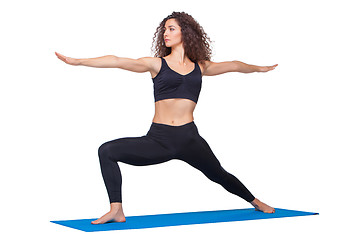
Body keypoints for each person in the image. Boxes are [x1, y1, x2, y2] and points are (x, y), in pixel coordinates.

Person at [55, 11, 278, 225]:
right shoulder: (156, 64)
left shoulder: (200, 67)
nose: (166, 33)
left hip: (190, 139)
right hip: (159, 140)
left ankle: (256, 202)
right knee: (107, 151)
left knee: (219, 174)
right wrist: (79, 61)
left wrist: (260, 68)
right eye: (164, 30)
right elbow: (117, 60)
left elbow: (235, 65)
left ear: (186, 33)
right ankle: (116, 209)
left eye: (171, 29)